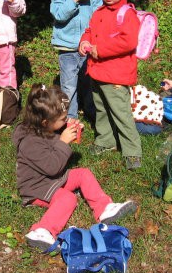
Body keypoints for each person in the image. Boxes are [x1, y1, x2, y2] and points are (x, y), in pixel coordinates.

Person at [13, 84, 138, 251]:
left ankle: (104, 209)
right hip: (37, 187)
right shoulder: (30, 142)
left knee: (83, 174)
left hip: (51, 179)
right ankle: (42, 230)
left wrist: (66, 127)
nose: (66, 120)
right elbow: (52, 167)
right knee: (67, 198)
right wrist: (63, 142)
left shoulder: (42, 128)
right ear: (45, 122)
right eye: (63, 119)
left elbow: (52, 145)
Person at [79, 0, 143, 170]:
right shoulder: (99, 12)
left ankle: (132, 150)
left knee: (120, 112)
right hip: (97, 72)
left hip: (116, 74)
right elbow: (90, 30)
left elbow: (128, 41)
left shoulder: (127, 14)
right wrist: (85, 41)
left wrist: (101, 49)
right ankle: (106, 140)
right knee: (102, 109)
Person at [50, 0, 102, 120]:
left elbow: (98, 15)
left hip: (87, 46)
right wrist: (72, 0)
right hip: (68, 47)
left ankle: (90, 110)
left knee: (89, 81)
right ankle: (70, 116)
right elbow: (58, 15)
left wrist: (96, 37)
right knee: (68, 84)